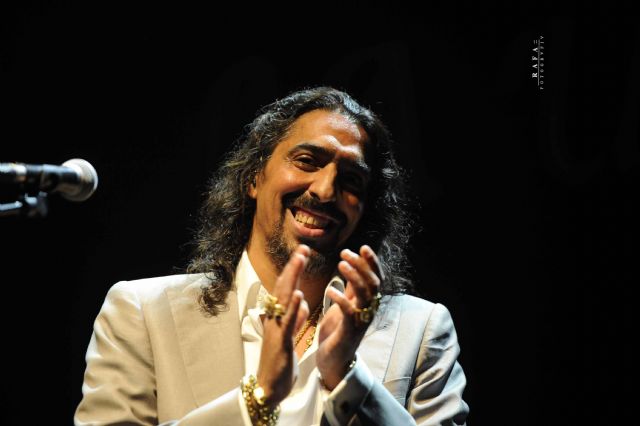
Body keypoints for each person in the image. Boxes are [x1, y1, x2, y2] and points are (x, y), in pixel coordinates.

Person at [75, 87, 469, 425]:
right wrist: (256, 399)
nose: (325, 190)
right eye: (307, 161)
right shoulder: (143, 312)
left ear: (365, 209)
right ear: (253, 176)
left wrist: (347, 378)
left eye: (351, 179)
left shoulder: (420, 330)